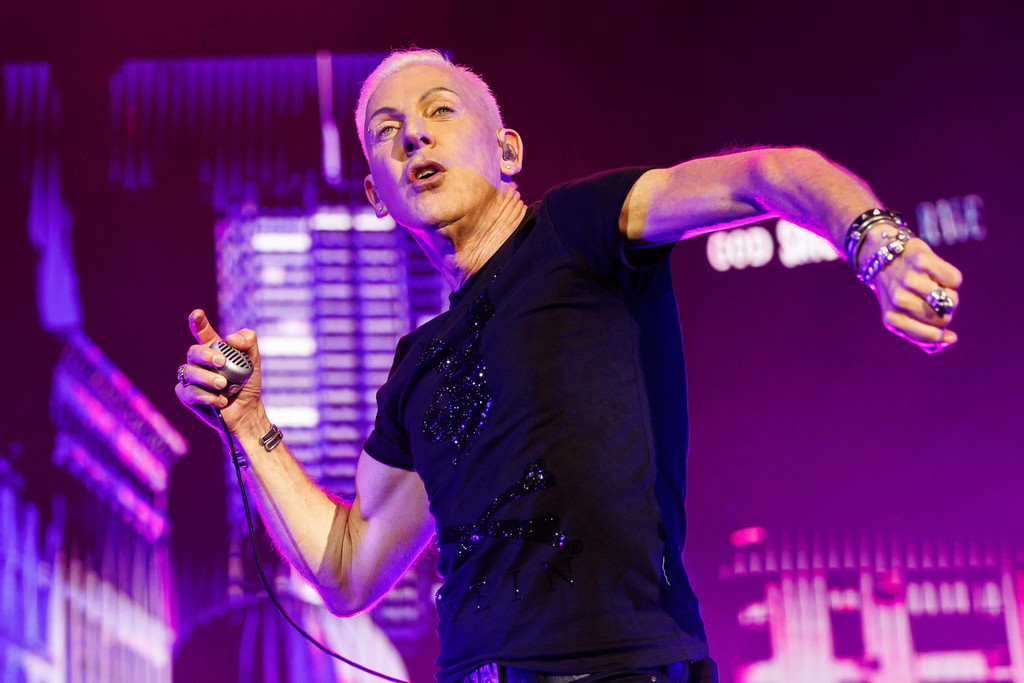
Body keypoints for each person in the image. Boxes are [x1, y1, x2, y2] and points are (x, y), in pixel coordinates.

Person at [175, 49, 962, 683]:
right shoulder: (416, 368)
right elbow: (349, 568)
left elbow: (762, 174)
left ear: (507, 150)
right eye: (389, 131)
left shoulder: (578, 232)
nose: (414, 136)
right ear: (377, 196)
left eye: (440, 112)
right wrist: (248, 422)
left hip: (619, 667)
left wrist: (878, 246)